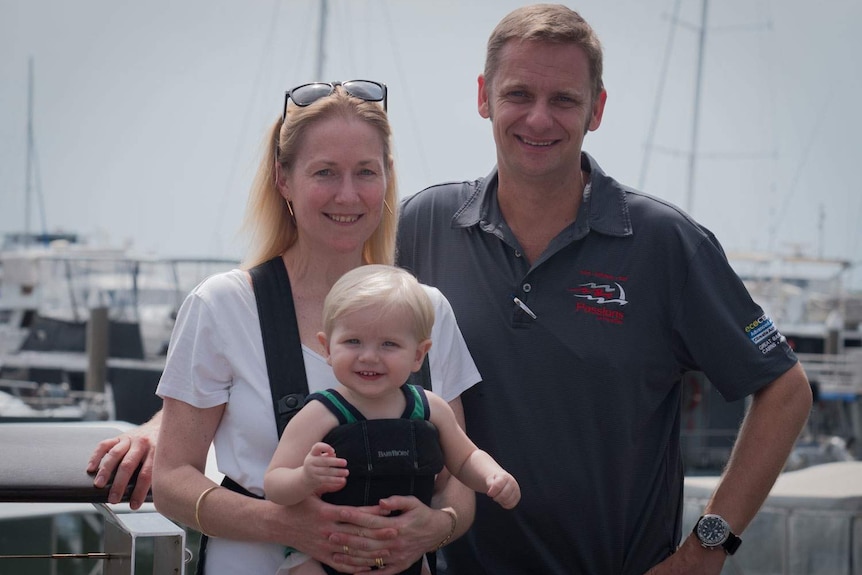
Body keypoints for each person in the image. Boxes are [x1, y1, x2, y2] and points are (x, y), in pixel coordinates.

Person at [395, 4, 812, 575]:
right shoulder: (424, 224)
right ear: (482, 97)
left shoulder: (666, 243)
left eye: (564, 99)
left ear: (597, 108)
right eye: (519, 94)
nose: (539, 119)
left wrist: (706, 550)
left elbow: (786, 390)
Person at [114, 81, 483, 575]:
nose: (347, 194)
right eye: (325, 172)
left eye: (365, 172)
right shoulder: (223, 306)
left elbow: (456, 483)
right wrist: (284, 525)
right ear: (283, 179)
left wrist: (437, 526)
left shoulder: (429, 309)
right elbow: (176, 480)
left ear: (388, 178)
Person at [265, 264, 520, 575]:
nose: (369, 356)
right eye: (353, 341)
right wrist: (306, 477)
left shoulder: (430, 408)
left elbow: (466, 459)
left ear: (418, 354)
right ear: (327, 347)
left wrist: (492, 476)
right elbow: (275, 485)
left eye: (389, 344)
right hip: (325, 556)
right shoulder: (320, 412)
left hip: (403, 555)